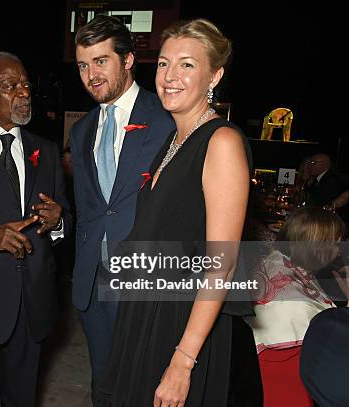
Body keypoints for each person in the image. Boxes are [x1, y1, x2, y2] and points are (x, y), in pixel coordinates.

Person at [100, 19, 252, 406]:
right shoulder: (174, 138)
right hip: (148, 312)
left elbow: (224, 265)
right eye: (165, 63)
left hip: (183, 326)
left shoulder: (221, 142)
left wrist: (183, 361)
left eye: (187, 65)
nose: (170, 76)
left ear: (214, 76)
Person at [0, 52, 72, 407]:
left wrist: (58, 221)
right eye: (10, 86)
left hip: (33, 303)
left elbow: (63, 214)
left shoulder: (46, 150)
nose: (23, 93)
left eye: (25, 84)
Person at [69, 14, 174, 405]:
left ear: (128, 60)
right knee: (104, 385)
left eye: (101, 61)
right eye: (83, 64)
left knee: (149, 387)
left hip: (147, 282)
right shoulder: (81, 131)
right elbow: (90, 206)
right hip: (93, 283)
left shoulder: (166, 118)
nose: (91, 74)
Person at [246, 207, 344, 406]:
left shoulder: (278, 261)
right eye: (335, 243)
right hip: (287, 382)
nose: (340, 249)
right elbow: (334, 339)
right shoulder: (292, 295)